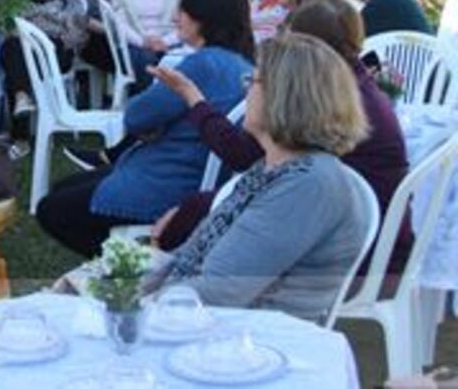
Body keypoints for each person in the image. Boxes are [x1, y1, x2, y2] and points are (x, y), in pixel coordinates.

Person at [150, 0, 412, 286]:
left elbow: (248, 160)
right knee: (203, 210)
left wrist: (193, 99)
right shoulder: (349, 86)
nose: (252, 88)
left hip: (359, 252)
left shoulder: (325, 101)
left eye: (257, 81)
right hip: (359, 232)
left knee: (196, 214)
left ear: (306, 51)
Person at [145, 32, 368, 323]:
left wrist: (134, 306)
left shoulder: (307, 184)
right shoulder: (272, 166)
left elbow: (218, 292)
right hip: (205, 324)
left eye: (253, 81)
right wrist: (113, 285)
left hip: (249, 343)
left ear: (285, 95)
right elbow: (188, 255)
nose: (247, 90)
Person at [38, 0, 254, 256]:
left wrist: (157, 121)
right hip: (191, 176)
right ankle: (125, 260)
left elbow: (136, 116)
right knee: (65, 188)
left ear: (202, 18)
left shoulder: (203, 64)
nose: (176, 17)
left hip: (166, 183)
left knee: (51, 209)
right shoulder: (241, 63)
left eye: (181, 9)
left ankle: (129, 267)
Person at [0, 0, 89, 140]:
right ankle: (23, 98)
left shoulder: (71, 2)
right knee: (12, 46)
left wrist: (43, 41)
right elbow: (7, 29)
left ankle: (20, 134)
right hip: (21, 50)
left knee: (20, 55)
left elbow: (78, 37)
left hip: (55, 53)